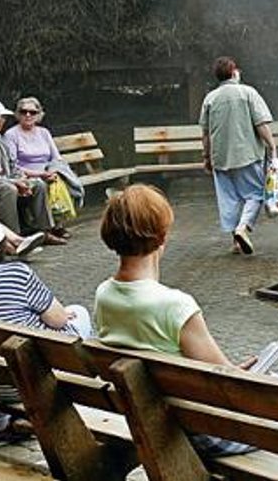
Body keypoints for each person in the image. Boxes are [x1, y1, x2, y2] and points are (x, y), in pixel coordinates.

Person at [94, 184, 256, 456]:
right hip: (199, 433)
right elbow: (227, 384)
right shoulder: (175, 305)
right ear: (162, 236)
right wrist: (240, 371)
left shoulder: (104, 294)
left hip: (147, 419)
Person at [0, 218, 91, 442]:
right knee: (79, 313)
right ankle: (76, 411)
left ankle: (0, 423)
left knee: (1, 347)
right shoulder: (17, 273)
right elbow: (59, 320)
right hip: (29, 380)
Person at [200, 56, 277, 255]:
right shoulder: (248, 93)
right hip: (247, 155)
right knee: (255, 194)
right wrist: (272, 146)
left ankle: (235, 240)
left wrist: (206, 157)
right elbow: (261, 124)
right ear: (234, 72)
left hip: (220, 158)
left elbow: (206, 134)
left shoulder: (210, 99)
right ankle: (243, 228)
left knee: (229, 200)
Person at [0, 100, 66, 245]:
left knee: (38, 184)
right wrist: (15, 182)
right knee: (8, 189)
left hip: (5, 181)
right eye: (1, 118)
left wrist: (21, 179)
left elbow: (12, 165)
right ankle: (15, 238)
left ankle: (45, 231)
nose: (4, 121)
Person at [3, 97, 84, 237]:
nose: (28, 115)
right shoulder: (11, 135)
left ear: (38, 115)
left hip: (47, 171)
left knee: (61, 180)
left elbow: (56, 157)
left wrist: (52, 171)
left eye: (32, 112)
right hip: (25, 174)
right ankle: (47, 229)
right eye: (24, 112)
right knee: (40, 184)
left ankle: (58, 225)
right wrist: (39, 174)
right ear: (17, 114)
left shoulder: (44, 132)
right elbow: (12, 165)